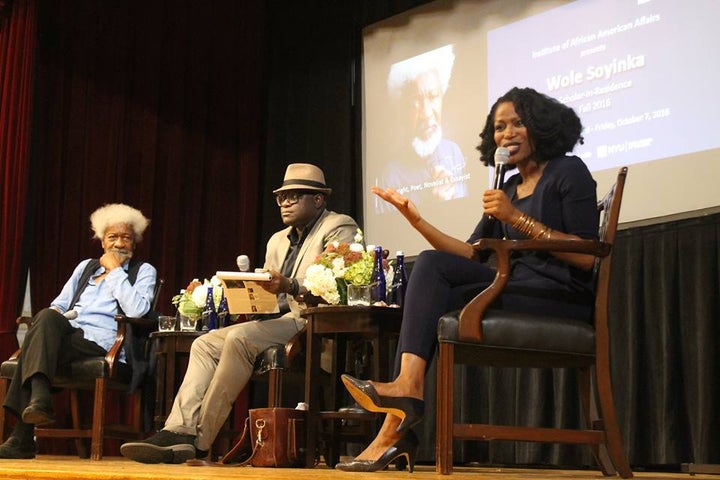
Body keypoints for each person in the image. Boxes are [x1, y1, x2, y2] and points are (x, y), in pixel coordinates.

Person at [337, 86, 600, 472]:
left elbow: (584, 255)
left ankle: (396, 425)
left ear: (541, 126)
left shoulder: (567, 170)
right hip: (516, 286)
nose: (506, 134)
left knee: (434, 281)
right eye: (499, 127)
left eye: (518, 123)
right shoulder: (505, 187)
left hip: (558, 297)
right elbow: (471, 254)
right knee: (427, 266)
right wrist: (416, 219)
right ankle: (403, 403)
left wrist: (515, 218)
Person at [120, 163, 359, 464]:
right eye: (280, 197)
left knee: (239, 339)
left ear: (318, 199)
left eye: (294, 196)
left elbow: (340, 282)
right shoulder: (277, 239)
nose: (284, 203)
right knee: (203, 343)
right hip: (278, 320)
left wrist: (289, 284)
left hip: (312, 321)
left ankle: (201, 440)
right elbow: (270, 296)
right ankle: (178, 430)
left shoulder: (338, 226)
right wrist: (241, 295)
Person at [0, 203, 157, 459]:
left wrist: (116, 271)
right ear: (102, 242)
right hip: (69, 336)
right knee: (47, 317)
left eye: (126, 237)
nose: (119, 243)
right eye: (113, 237)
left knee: (34, 346)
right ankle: (37, 404)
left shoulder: (143, 271)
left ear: (134, 243)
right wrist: (57, 319)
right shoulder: (86, 267)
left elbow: (138, 311)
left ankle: (23, 433)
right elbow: (59, 305)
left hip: (104, 343)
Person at [375, 45, 467, 214]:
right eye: (415, 102)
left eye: (433, 97)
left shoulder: (454, 152)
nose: (426, 113)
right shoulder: (389, 176)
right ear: (402, 109)